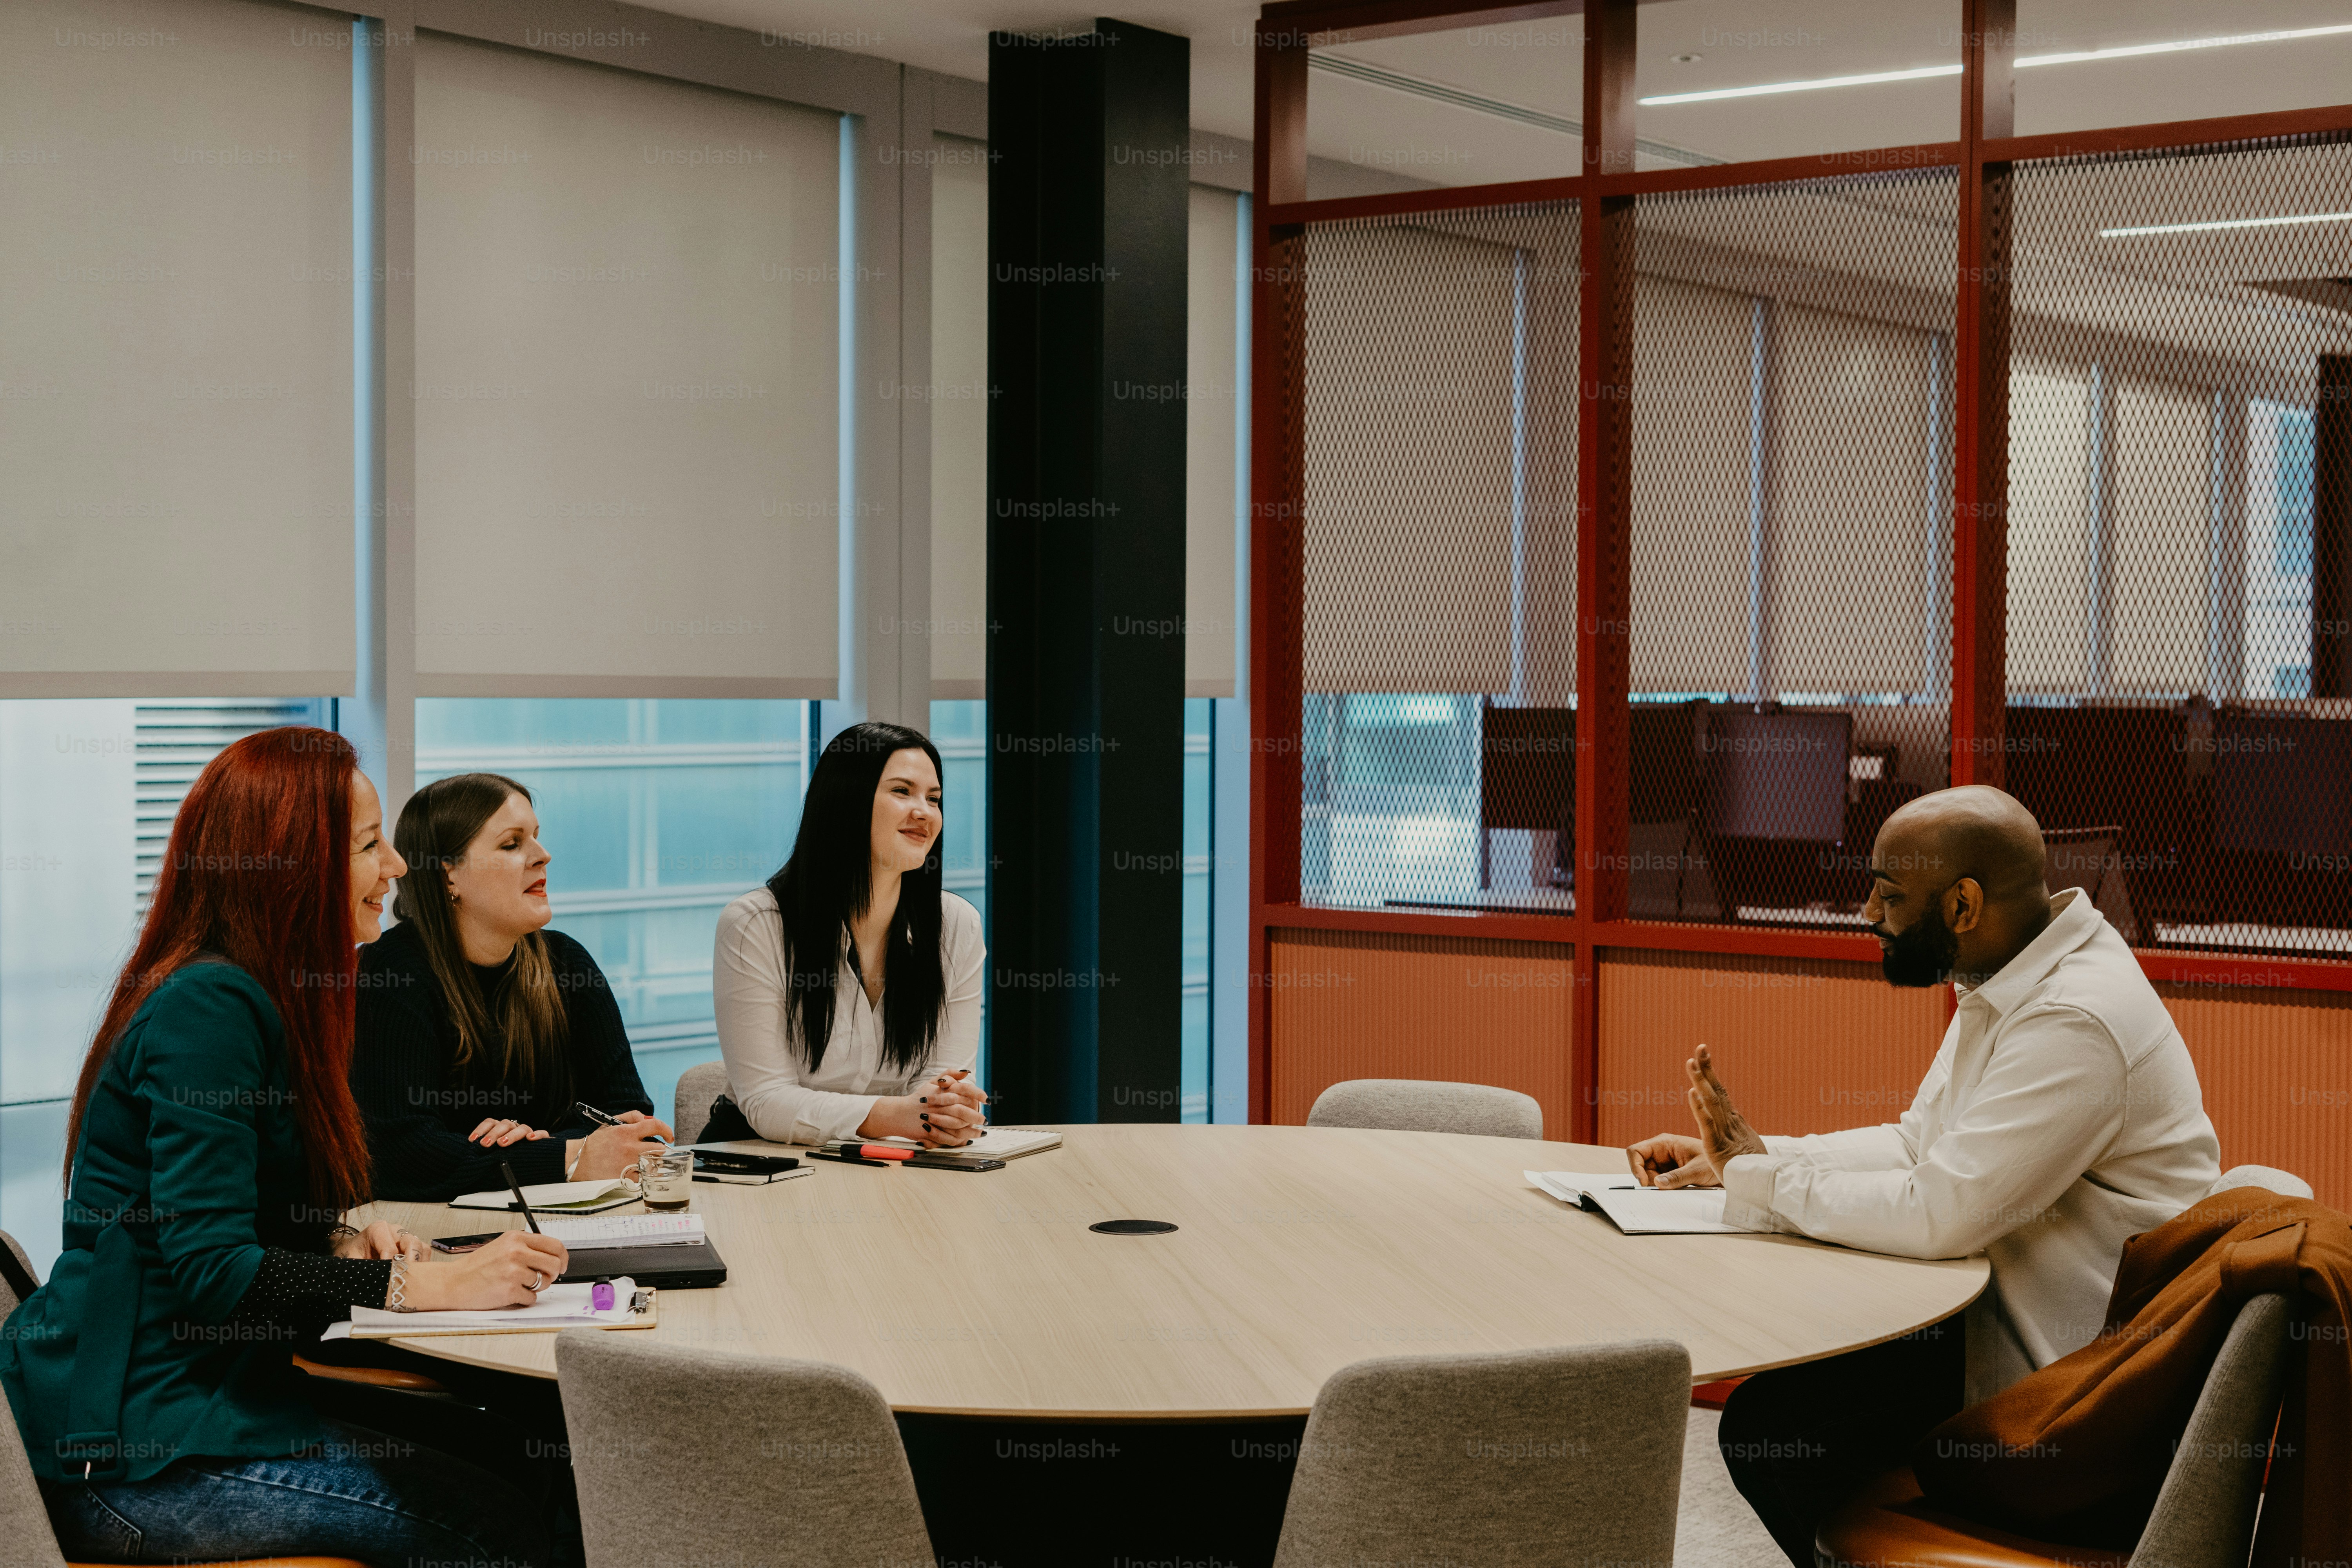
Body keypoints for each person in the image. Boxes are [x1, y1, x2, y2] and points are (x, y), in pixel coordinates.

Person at [0, 728, 575, 1568]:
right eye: (371, 845)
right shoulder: (211, 1007)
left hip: (210, 1399)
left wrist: (341, 1242)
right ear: (293, 863)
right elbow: (214, 1272)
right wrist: (422, 1281)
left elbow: (222, 1225)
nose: (399, 868)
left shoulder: (264, 996)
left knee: (533, 1457)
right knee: (498, 1522)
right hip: (133, 1452)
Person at [1625, 784, 2220, 1568]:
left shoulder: (2074, 1017)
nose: (1869, 912)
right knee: (1785, 1414)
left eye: (1890, 893)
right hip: (2008, 1319)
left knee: (1777, 1430)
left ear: (1964, 903)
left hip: (2073, 1380)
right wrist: (1757, 1158)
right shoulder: (2012, 977)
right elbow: (1921, 1143)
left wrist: (1756, 1180)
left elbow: (1944, 1211)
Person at [352, 773, 671, 1201]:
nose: (543, 856)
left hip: (569, 1218)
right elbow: (396, 1155)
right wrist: (567, 1155)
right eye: (512, 843)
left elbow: (630, 1122)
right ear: (448, 874)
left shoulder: (566, 962)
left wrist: (536, 1148)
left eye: (537, 838)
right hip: (438, 1234)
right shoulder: (394, 972)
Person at [713, 721, 987, 1147]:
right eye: (902, 791)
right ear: (846, 802)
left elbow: (943, 1080)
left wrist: (949, 1112)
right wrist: (902, 1115)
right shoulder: (756, 923)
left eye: (934, 799)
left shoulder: (958, 925)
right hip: (764, 1156)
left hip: (897, 1156)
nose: (925, 813)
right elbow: (768, 1101)